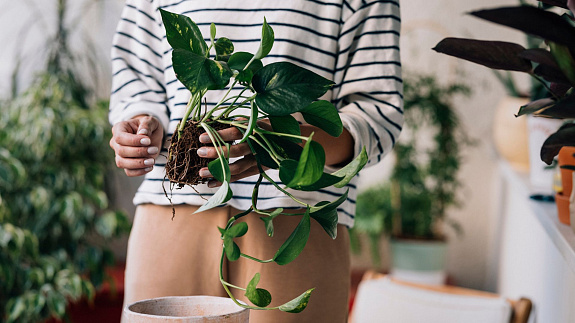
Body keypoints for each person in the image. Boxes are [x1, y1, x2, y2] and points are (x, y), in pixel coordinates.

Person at [109, 1, 402, 322]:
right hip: (173, 212)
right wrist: (138, 126)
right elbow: (137, 81)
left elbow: (376, 115)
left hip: (294, 222)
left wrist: (283, 141)